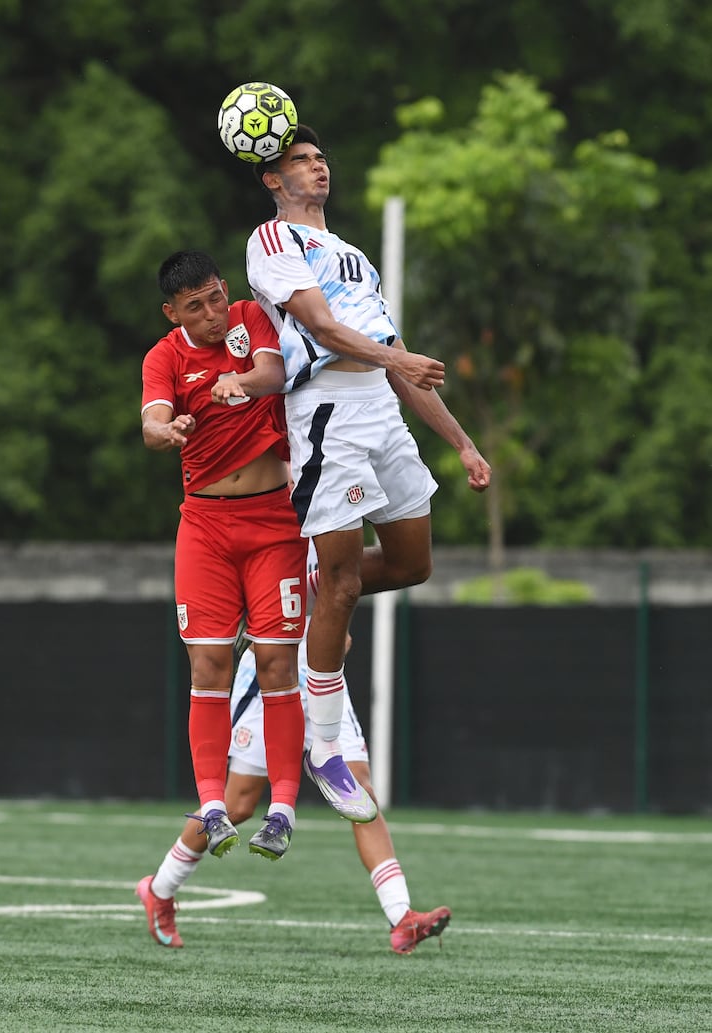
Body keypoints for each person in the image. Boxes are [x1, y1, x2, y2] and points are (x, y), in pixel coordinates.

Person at [234, 124, 491, 823]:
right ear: (272, 180)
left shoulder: (351, 254)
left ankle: (312, 584)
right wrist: (399, 361)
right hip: (326, 414)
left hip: (380, 406)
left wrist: (463, 442)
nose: (317, 168)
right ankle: (322, 747)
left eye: (320, 158)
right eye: (300, 161)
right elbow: (320, 328)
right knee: (347, 582)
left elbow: (397, 352)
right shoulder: (272, 242)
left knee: (412, 565)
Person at [136, 548, 452, 955]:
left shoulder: (329, 500)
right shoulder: (265, 501)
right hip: (270, 668)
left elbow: (343, 577)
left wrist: (337, 627)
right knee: (238, 804)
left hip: (320, 673)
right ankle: (160, 890)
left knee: (360, 794)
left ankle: (401, 917)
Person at [140, 248, 308, 860]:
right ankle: (212, 806)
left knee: (275, 665)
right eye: (195, 307)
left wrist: (240, 380)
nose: (212, 313)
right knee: (208, 666)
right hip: (206, 527)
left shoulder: (248, 318)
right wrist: (168, 430)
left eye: (215, 297)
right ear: (172, 313)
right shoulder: (164, 356)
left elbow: (273, 372)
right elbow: (153, 422)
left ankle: (283, 809)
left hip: (273, 523)